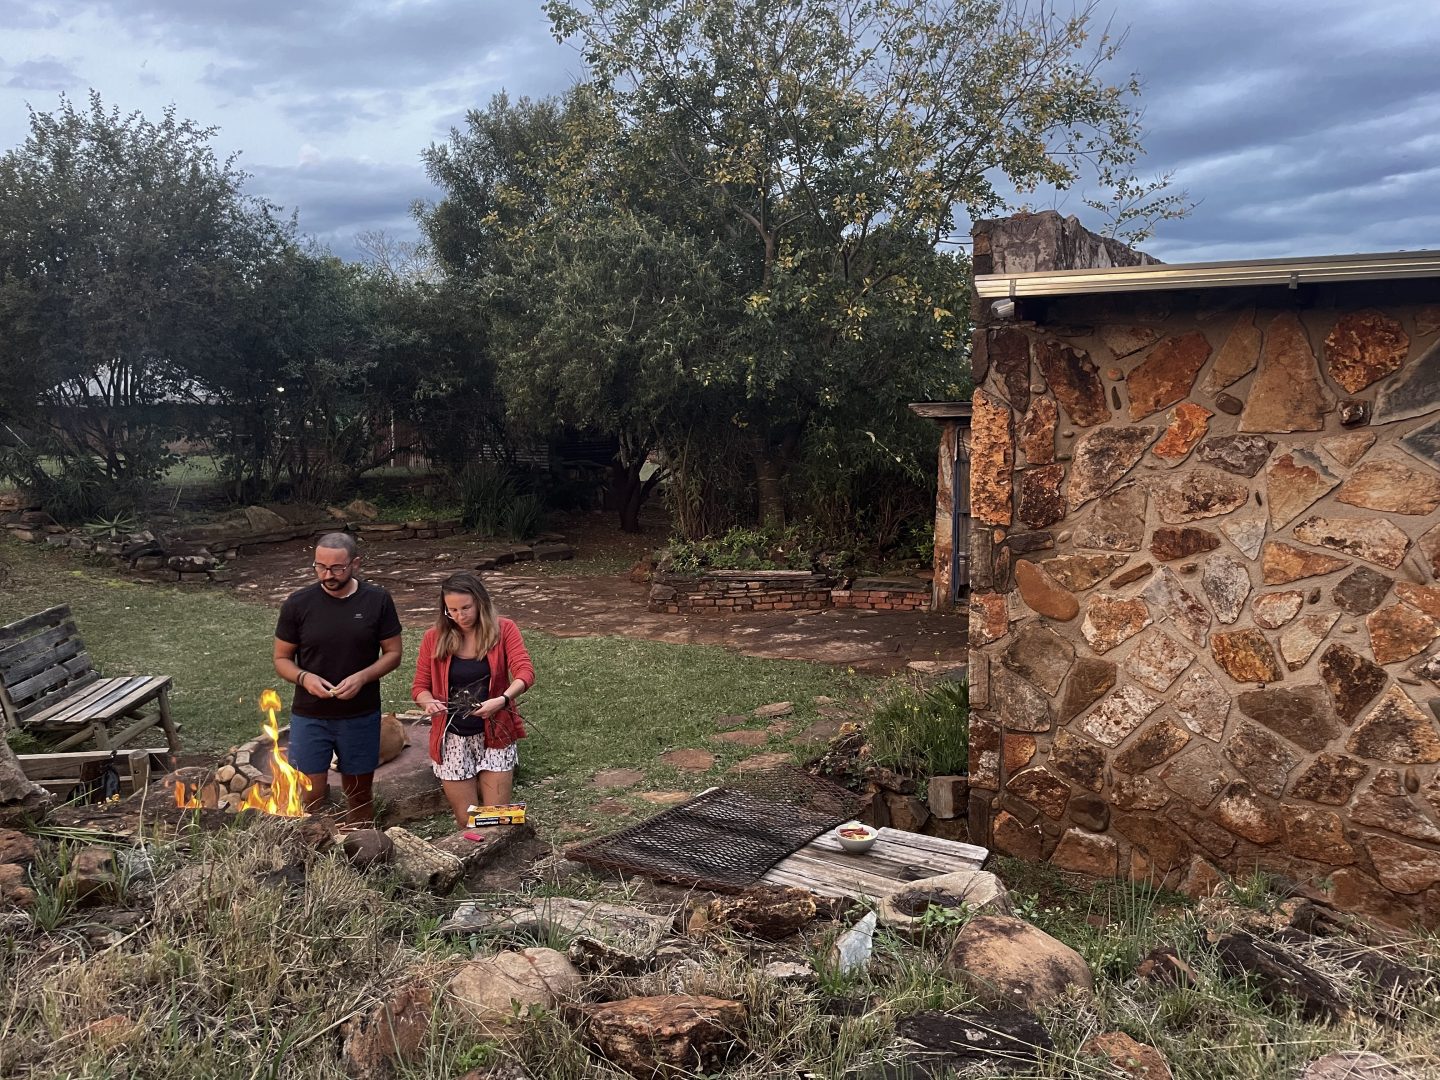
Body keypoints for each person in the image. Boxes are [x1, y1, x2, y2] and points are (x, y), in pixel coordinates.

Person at [272, 532, 403, 824]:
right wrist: (304, 678)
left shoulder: (377, 600)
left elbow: (393, 653)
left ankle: (362, 847)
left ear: (355, 563)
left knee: (358, 794)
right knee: (310, 795)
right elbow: (281, 659)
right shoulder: (298, 603)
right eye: (320, 567)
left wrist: (363, 677)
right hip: (310, 714)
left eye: (337, 568)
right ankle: (317, 853)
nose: (327, 575)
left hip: (360, 713)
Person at [411, 571, 533, 828]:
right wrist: (428, 703)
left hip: (495, 733)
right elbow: (420, 687)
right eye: (451, 610)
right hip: (452, 737)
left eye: (465, 608)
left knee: (496, 819)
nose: (459, 616)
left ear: (480, 602)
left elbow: (525, 672)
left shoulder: (504, 629)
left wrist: (502, 699)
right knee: (467, 820)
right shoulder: (433, 637)